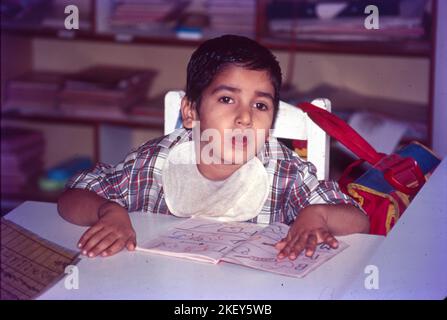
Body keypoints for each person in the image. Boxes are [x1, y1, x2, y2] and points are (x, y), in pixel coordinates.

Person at [58, 35, 369, 261]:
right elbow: (71, 196)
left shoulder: (283, 170)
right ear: (191, 112)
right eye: (226, 99)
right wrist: (108, 211)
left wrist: (318, 214)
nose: (245, 117)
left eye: (260, 105)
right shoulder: (155, 162)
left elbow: (359, 219)